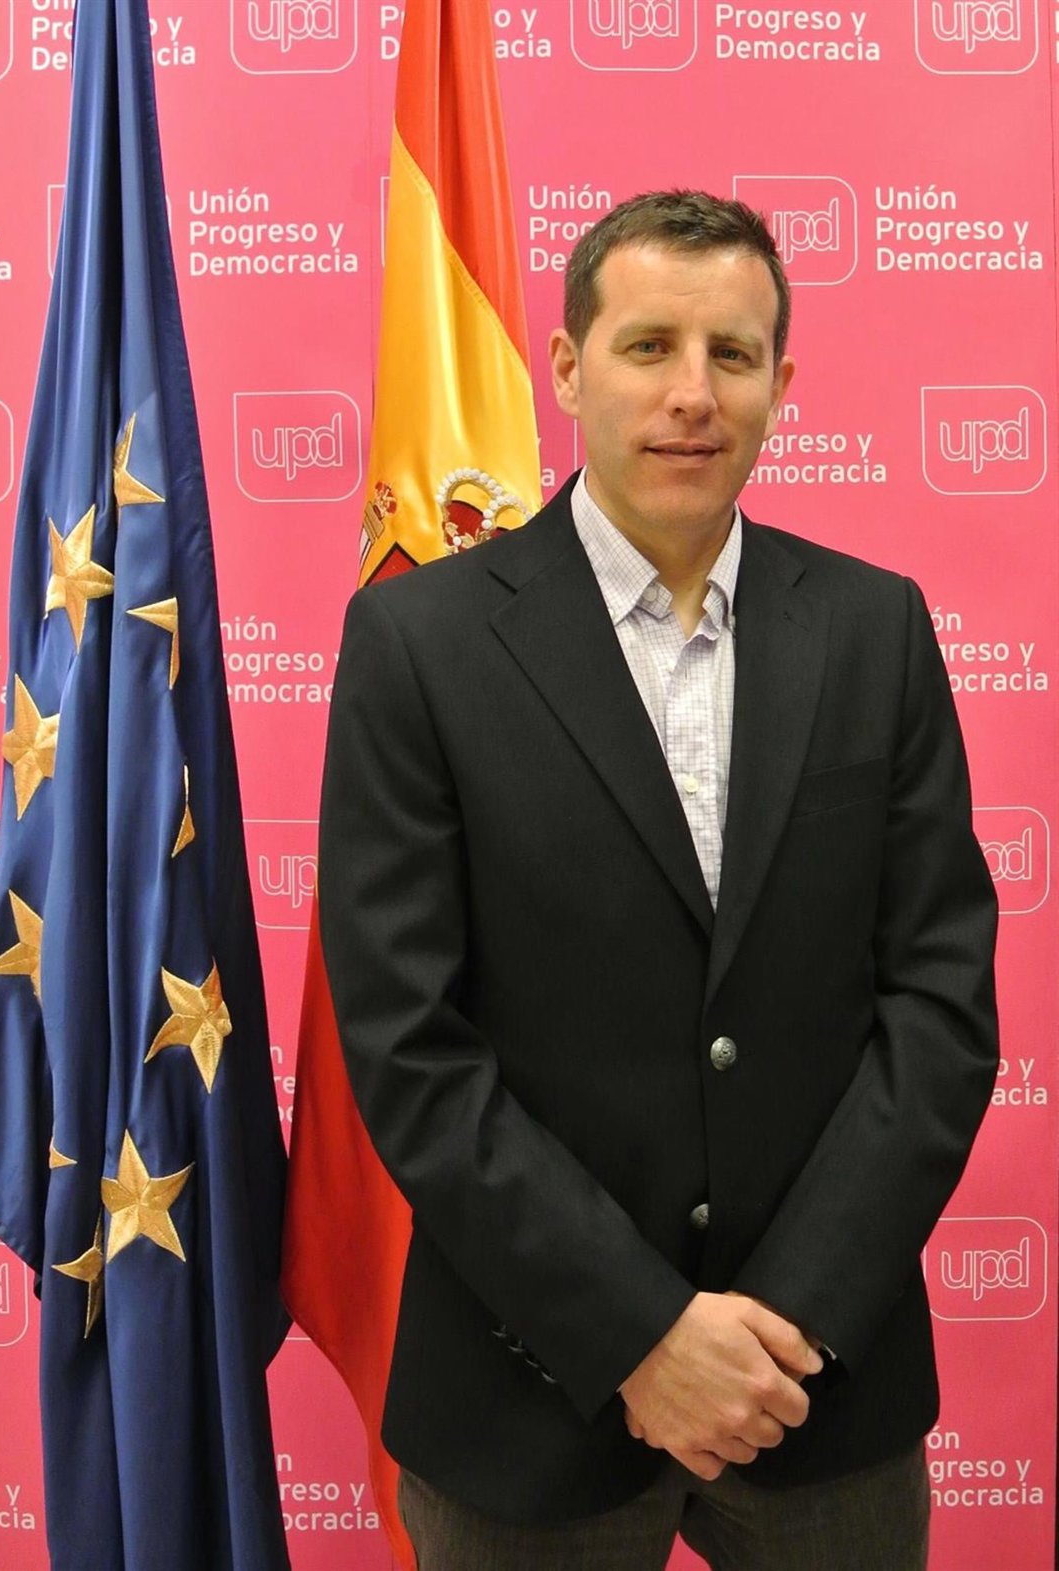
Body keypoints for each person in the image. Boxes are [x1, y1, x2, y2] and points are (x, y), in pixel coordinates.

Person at [316, 190, 999, 1570]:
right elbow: (406, 1044)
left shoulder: (876, 629)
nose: (693, 394)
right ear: (569, 370)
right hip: (523, 1399)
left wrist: (783, 1327)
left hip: (819, 1391)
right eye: (648, 347)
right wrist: (639, 1336)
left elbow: (938, 1007)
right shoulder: (417, 645)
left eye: (732, 355)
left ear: (782, 385)